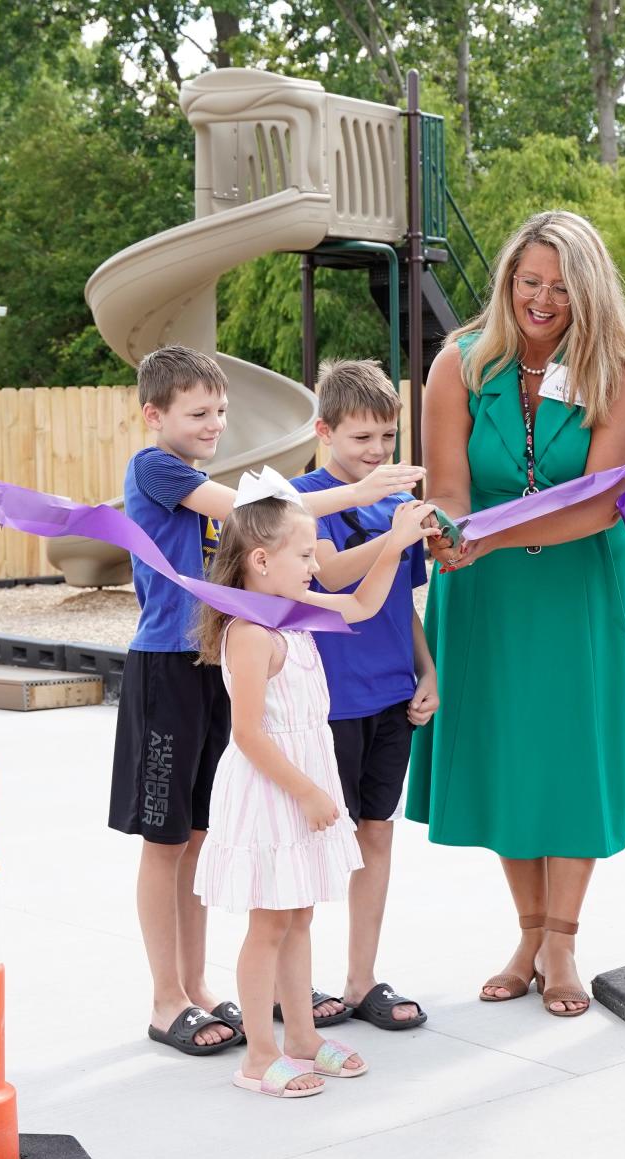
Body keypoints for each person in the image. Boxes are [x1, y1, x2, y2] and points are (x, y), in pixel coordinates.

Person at [109, 343, 424, 1056]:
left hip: (212, 665)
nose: (214, 423)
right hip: (167, 667)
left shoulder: (196, 475)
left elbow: (291, 549)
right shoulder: (155, 468)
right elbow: (264, 510)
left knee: (195, 834)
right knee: (164, 842)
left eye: (221, 410)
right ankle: (167, 998)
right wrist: (361, 493)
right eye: (198, 412)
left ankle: (197, 986)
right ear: (154, 413)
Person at [406, 210, 625, 1018]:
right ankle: (527, 935)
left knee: (571, 757)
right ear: (507, 283)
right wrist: (452, 533)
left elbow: (598, 506)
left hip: (580, 585)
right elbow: (447, 488)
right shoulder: (457, 366)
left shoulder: (620, 371)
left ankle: (562, 941)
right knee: (508, 757)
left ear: (586, 291)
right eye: (528, 282)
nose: (542, 299)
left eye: (559, 286)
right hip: (485, 591)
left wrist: (486, 538)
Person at [192, 471, 437, 1096]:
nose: (314, 565)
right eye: (304, 555)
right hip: (274, 791)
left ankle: (301, 1037)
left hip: (302, 784)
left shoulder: (294, 613)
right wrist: (306, 790)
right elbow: (247, 734)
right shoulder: (251, 633)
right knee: (269, 924)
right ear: (262, 559)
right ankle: (259, 1056)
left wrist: (396, 539)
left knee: (298, 917)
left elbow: (359, 603)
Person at [290, 359, 437, 1032]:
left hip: (389, 696)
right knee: (315, 845)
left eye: (387, 438)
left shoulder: (394, 503)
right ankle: (293, 987)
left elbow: (400, 602)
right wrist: (393, 534)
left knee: (376, 835)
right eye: (361, 439)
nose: (377, 453)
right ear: (325, 432)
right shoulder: (302, 498)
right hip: (326, 703)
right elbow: (326, 576)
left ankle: (360, 980)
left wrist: (427, 670)